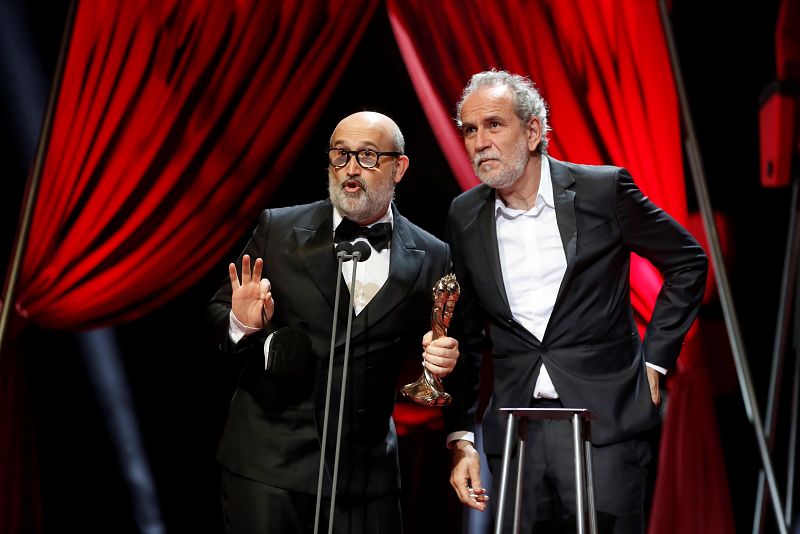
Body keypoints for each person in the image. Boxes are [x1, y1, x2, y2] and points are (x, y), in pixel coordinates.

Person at [442, 70, 708, 533]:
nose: (479, 141)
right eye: (469, 129)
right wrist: (462, 436)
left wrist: (657, 359)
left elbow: (688, 262)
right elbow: (466, 334)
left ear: (533, 131)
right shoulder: (464, 214)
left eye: (493, 125)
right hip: (516, 431)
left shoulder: (602, 191)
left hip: (602, 424)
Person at [205, 111, 459, 534]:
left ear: (400, 167)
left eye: (367, 156)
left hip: (366, 475)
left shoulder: (433, 255)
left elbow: (436, 348)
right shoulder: (280, 228)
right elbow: (215, 320)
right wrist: (241, 322)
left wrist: (441, 357)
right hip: (270, 465)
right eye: (340, 155)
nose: (351, 169)